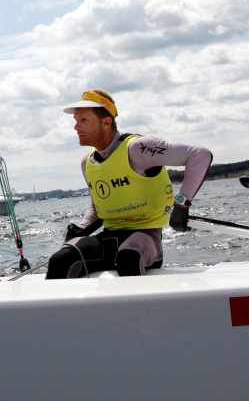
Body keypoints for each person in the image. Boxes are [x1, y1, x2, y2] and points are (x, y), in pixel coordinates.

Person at [46, 89, 213, 280]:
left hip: (144, 238)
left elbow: (199, 155)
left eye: (83, 120)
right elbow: (98, 206)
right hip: (108, 238)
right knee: (60, 260)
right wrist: (81, 227)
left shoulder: (138, 148)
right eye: (75, 121)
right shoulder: (87, 163)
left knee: (128, 258)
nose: (76, 127)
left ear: (106, 122)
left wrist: (182, 203)